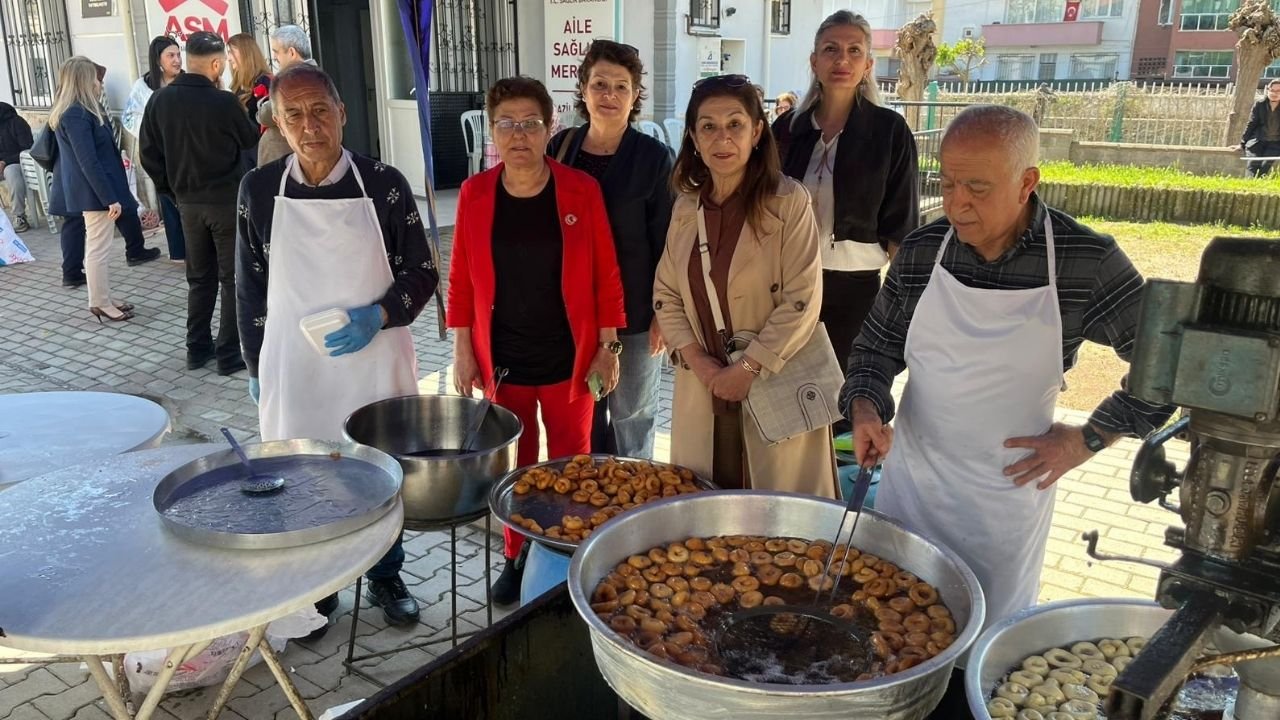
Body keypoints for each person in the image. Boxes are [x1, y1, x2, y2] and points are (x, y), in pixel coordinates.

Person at [843, 105, 1178, 637]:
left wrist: (1089, 439)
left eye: (977, 187)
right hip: (912, 488)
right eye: (948, 182)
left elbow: (1170, 364)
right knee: (889, 630)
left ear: (1027, 183)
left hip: (1004, 504)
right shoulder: (924, 251)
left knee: (983, 642)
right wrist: (865, 407)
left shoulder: (1083, 259)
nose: (957, 203)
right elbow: (875, 350)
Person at [237, 64, 438, 631]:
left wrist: (378, 315)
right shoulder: (259, 190)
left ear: (342, 113)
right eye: (294, 114)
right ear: (277, 122)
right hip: (296, 367)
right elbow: (250, 281)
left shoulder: (384, 183)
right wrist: (258, 364)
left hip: (374, 358)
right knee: (303, 473)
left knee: (378, 469)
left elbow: (422, 272)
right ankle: (318, 582)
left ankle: (385, 573)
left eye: (320, 110)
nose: (310, 125)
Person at [448, 76, 626, 605]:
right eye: (506, 123)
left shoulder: (580, 190)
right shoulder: (474, 193)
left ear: (551, 128)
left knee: (572, 464)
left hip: (569, 357)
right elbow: (459, 277)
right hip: (501, 358)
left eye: (530, 123)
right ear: (492, 131)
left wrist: (608, 346)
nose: (518, 134)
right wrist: (461, 348)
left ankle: (568, 554)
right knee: (516, 468)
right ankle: (516, 554)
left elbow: (606, 273)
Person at [653, 74, 837, 496]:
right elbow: (666, 293)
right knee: (705, 511)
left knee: (779, 521)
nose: (723, 138)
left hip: (773, 379)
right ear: (694, 138)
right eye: (708, 126)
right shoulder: (686, 206)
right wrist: (700, 363)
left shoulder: (788, 202)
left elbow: (801, 300)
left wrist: (748, 367)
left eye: (735, 124)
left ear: (757, 131)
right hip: (704, 387)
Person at [773, 10, 918, 409]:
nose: (842, 60)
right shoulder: (787, 130)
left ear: (869, 64)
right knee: (791, 398)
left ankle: (842, 474)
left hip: (856, 289)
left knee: (846, 397)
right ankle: (794, 473)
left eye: (854, 51)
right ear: (814, 61)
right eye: (831, 49)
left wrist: (902, 305)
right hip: (791, 286)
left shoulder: (889, 131)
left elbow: (901, 224)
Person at [546, 40, 675, 462]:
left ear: (636, 95)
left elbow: (669, 242)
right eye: (600, 84)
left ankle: (633, 513)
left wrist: (662, 313)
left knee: (632, 417)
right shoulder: (560, 150)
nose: (609, 96)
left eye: (622, 86)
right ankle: (589, 509)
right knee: (583, 413)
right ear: (583, 88)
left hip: (636, 314)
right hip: (573, 315)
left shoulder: (654, 158)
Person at [140, 31, 259, 375]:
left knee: (199, 278)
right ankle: (228, 354)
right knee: (231, 278)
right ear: (217, 64)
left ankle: (197, 349)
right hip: (223, 200)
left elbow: (148, 154)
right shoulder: (223, 102)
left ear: (188, 59)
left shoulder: (160, 101)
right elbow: (249, 138)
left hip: (187, 202)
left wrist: (170, 190)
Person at [46, 57, 138, 323]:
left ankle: (104, 298)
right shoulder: (75, 114)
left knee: (100, 248)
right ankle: (99, 302)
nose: (99, 82)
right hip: (95, 193)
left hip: (97, 190)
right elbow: (88, 161)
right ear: (83, 80)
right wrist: (109, 198)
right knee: (98, 249)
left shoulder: (83, 109)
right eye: (95, 77)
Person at [123, 35, 187, 263]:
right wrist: (151, 132)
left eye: (178, 54)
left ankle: (196, 249)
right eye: (171, 55)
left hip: (186, 151)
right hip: (159, 154)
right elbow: (128, 118)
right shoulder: (143, 86)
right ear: (158, 59)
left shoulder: (187, 81)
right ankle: (178, 251)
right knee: (168, 201)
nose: (177, 60)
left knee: (187, 201)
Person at [258, 25, 315, 166]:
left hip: (285, 159)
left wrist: (262, 105)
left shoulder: (298, 78)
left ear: (291, 52)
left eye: (277, 52)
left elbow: (266, 115)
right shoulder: (304, 74)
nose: (275, 57)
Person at [0, 101, 33, 232]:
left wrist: (4, 162)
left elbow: (27, 149)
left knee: (11, 172)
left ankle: (19, 216)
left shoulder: (17, 123)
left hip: (18, 163)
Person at [228, 34, 273, 126]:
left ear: (245, 53)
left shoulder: (264, 81)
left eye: (231, 52)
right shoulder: (238, 83)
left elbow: (269, 118)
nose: (228, 58)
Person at [1242, 78, 1280, 178]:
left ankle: (1258, 188)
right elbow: (1251, 124)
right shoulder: (1260, 104)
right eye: (1272, 90)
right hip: (1257, 141)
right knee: (1252, 166)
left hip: (1275, 144)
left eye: (1278, 91)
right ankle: (1248, 189)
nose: (1274, 93)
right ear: (1268, 90)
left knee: (1264, 167)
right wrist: (1242, 143)